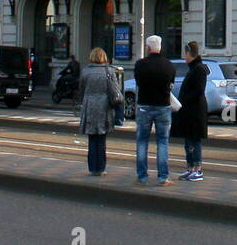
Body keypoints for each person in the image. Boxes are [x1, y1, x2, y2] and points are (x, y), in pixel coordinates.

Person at [133, 35, 176, 184]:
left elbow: (138, 83)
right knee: (163, 142)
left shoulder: (140, 65)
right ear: (160, 48)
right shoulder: (169, 65)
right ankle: (163, 176)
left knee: (142, 141)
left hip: (144, 105)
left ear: (148, 48)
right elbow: (171, 83)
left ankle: (142, 176)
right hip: (163, 106)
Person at [79, 47, 123, 175]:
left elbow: (81, 90)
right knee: (102, 139)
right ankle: (101, 168)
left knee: (92, 139)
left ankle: (92, 168)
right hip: (104, 107)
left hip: (89, 106)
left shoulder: (85, 71)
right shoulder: (108, 71)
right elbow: (115, 91)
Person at [171, 41, 209, 181]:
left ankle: (197, 169)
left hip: (195, 111)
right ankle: (190, 168)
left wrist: (184, 101)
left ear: (190, 53)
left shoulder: (198, 69)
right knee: (188, 140)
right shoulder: (194, 68)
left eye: (185, 53)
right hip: (189, 110)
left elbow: (198, 90)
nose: (184, 56)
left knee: (194, 140)